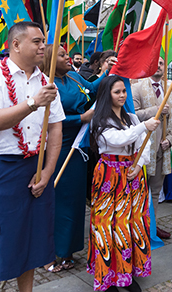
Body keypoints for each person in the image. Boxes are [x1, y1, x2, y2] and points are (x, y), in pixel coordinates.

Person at [0, 21, 64, 292]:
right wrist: (34, 102)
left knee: (32, 241)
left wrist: (47, 172)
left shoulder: (46, 81)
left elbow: (55, 126)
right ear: (15, 45)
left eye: (43, 41)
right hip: (1, 169)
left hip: (35, 165)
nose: (43, 47)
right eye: (36, 41)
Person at [44, 44, 114, 273]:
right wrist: (80, 118)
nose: (68, 58)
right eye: (62, 55)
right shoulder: (45, 83)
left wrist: (106, 72)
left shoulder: (74, 77)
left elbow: (93, 89)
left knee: (75, 201)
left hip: (80, 147)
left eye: (66, 54)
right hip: (59, 145)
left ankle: (69, 251)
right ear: (50, 60)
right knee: (59, 200)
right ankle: (51, 252)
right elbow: (46, 118)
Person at [88, 75, 158, 292]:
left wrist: (139, 165)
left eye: (123, 91)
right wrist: (144, 126)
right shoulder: (100, 120)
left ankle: (127, 273)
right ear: (107, 94)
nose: (121, 95)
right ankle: (107, 276)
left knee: (130, 224)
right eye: (117, 92)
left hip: (132, 175)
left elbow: (143, 144)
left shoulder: (131, 118)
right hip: (109, 175)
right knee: (107, 225)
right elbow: (117, 140)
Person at [132, 57, 172, 239]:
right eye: (156, 62)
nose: (159, 66)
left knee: (155, 190)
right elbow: (134, 116)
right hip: (143, 149)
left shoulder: (169, 89)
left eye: (161, 63)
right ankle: (138, 226)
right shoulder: (136, 87)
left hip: (163, 148)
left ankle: (151, 226)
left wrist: (170, 139)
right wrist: (157, 109)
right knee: (140, 189)